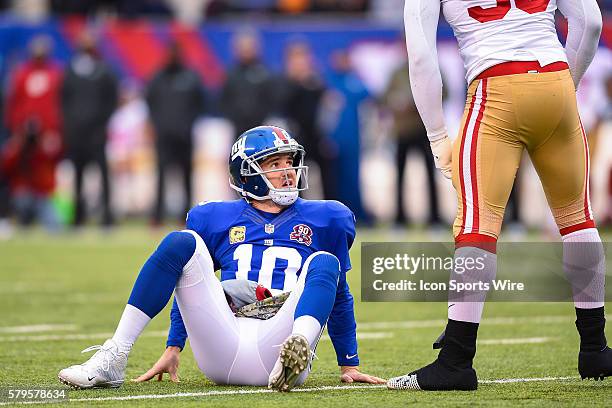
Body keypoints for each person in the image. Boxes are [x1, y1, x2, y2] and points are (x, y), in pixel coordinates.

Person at [57, 126, 384, 391]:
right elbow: (189, 285)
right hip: (223, 340)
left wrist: (349, 363)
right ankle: (115, 354)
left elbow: (338, 293)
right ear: (248, 174)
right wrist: (174, 346)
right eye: (275, 164)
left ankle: (297, 348)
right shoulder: (214, 217)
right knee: (180, 243)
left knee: (326, 261)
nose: (288, 171)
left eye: (289, 161)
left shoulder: (328, 216)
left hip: (280, 340)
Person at [388, 0, 608, 391]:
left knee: (476, 226)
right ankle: (595, 347)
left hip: (495, 87)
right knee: (578, 217)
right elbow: (590, 22)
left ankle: (456, 359)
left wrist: (437, 135)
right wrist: (562, 85)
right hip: (554, 75)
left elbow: (421, 58)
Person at [3, 36, 63, 232]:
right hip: (22, 191)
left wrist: (52, 131)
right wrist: (17, 131)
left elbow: (57, 105)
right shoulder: (21, 74)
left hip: (43, 191)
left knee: (54, 225)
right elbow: (14, 104)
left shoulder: (55, 75)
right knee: (20, 200)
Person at [61, 30, 118, 228]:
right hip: (77, 133)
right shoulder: (71, 71)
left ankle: (107, 216)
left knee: (103, 174)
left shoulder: (103, 71)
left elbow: (112, 99)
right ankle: (78, 217)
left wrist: (102, 123)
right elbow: (64, 101)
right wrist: (70, 124)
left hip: (96, 133)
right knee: (78, 175)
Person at [146, 42, 206, 225]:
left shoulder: (190, 78)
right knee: (161, 176)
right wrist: (158, 125)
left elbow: (200, 103)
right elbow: (150, 103)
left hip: (184, 136)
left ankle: (186, 216)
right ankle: (157, 216)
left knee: (187, 176)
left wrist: (188, 124)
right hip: (164, 137)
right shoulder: (157, 78)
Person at [382, 60, 442, 227]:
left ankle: (434, 217)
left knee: (430, 174)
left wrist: (421, 102)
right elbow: (385, 97)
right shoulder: (397, 72)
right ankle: (400, 217)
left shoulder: (431, 68)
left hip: (424, 129)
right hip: (402, 131)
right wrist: (396, 102)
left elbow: (445, 92)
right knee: (400, 175)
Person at [219, 30, 277, 138]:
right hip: (237, 128)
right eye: (243, 47)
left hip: (261, 128)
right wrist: (233, 117)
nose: (246, 50)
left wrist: (263, 117)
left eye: (249, 47)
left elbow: (272, 99)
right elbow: (223, 100)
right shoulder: (231, 74)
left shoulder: (265, 72)